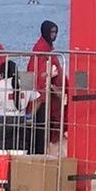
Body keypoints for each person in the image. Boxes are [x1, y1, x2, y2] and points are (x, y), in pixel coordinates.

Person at [27, 20, 63, 153]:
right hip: (42, 95)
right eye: (52, 32)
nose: (54, 35)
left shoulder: (46, 48)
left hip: (47, 93)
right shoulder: (41, 49)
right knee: (41, 126)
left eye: (55, 32)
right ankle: (39, 152)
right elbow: (39, 72)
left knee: (44, 126)